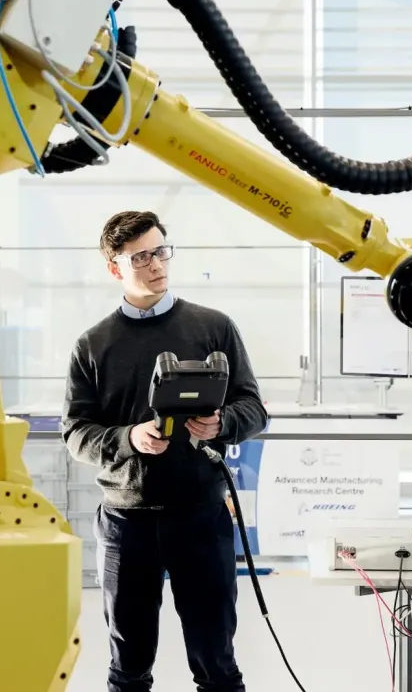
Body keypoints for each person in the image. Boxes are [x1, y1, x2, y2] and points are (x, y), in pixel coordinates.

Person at [61, 210, 268, 692]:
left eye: (161, 251)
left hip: (200, 516)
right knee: (128, 667)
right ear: (115, 268)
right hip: (125, 523)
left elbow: (254, 409)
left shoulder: (213, 327)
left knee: (217, 663)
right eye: (141, 257)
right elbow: (76, 433)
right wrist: (128, 439)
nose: (156, 264)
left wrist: (222, 423)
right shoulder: (92, 345)